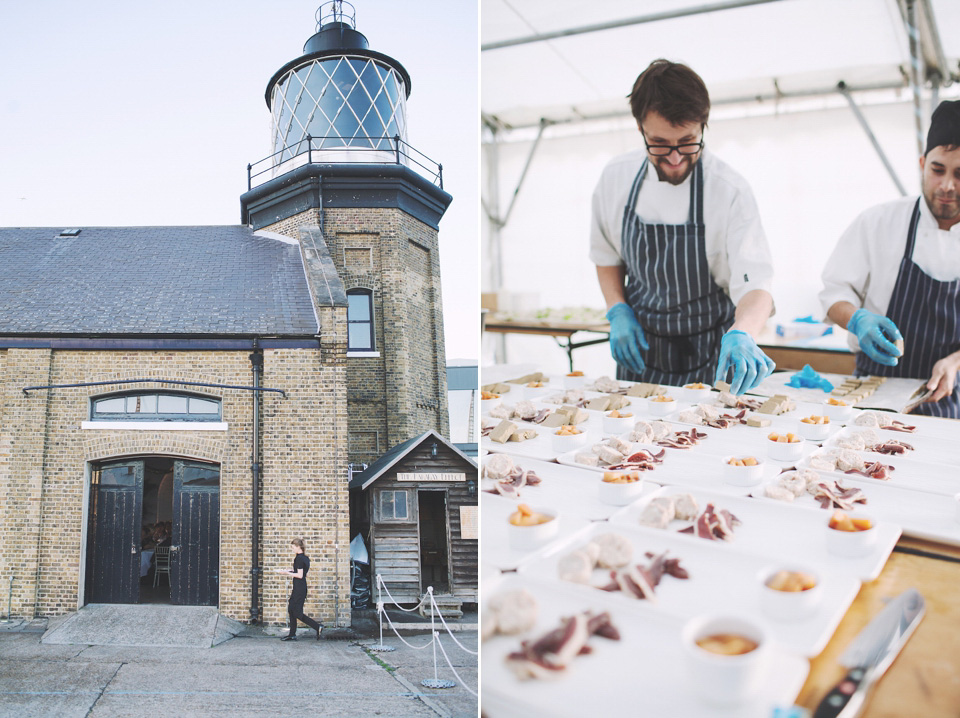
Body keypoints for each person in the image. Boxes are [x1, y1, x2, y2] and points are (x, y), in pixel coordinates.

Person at [591, 59, 776, 395]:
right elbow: (606, 256)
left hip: (711, 357)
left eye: (688, 141)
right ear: (640, 129)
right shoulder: (615, 179)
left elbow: (755, 283)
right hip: (641, 357)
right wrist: (617, 309)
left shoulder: (729, 190)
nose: (675, 158)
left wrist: (743, 332)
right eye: (660, 143)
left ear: (703, 127)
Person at [820, 100, 960, 418]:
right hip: (872, 394)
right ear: (923, 163)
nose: (947, 186)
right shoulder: (879, 222)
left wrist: (954, 361)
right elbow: (833, 294)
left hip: (948, 401)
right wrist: (858, 320)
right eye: (938, 170)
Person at [280, 538, 322, 641]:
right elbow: (305, 574)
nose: (292, 549)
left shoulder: (298, 559)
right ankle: (292, 634)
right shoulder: (305, 558)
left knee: (297, 612)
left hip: (299, 588)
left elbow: (300, 575)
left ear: (298, 547)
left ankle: (317, 627)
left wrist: (287, 573)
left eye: (293, 547)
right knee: (291, 609)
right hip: (300, 587)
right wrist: (290, 570)